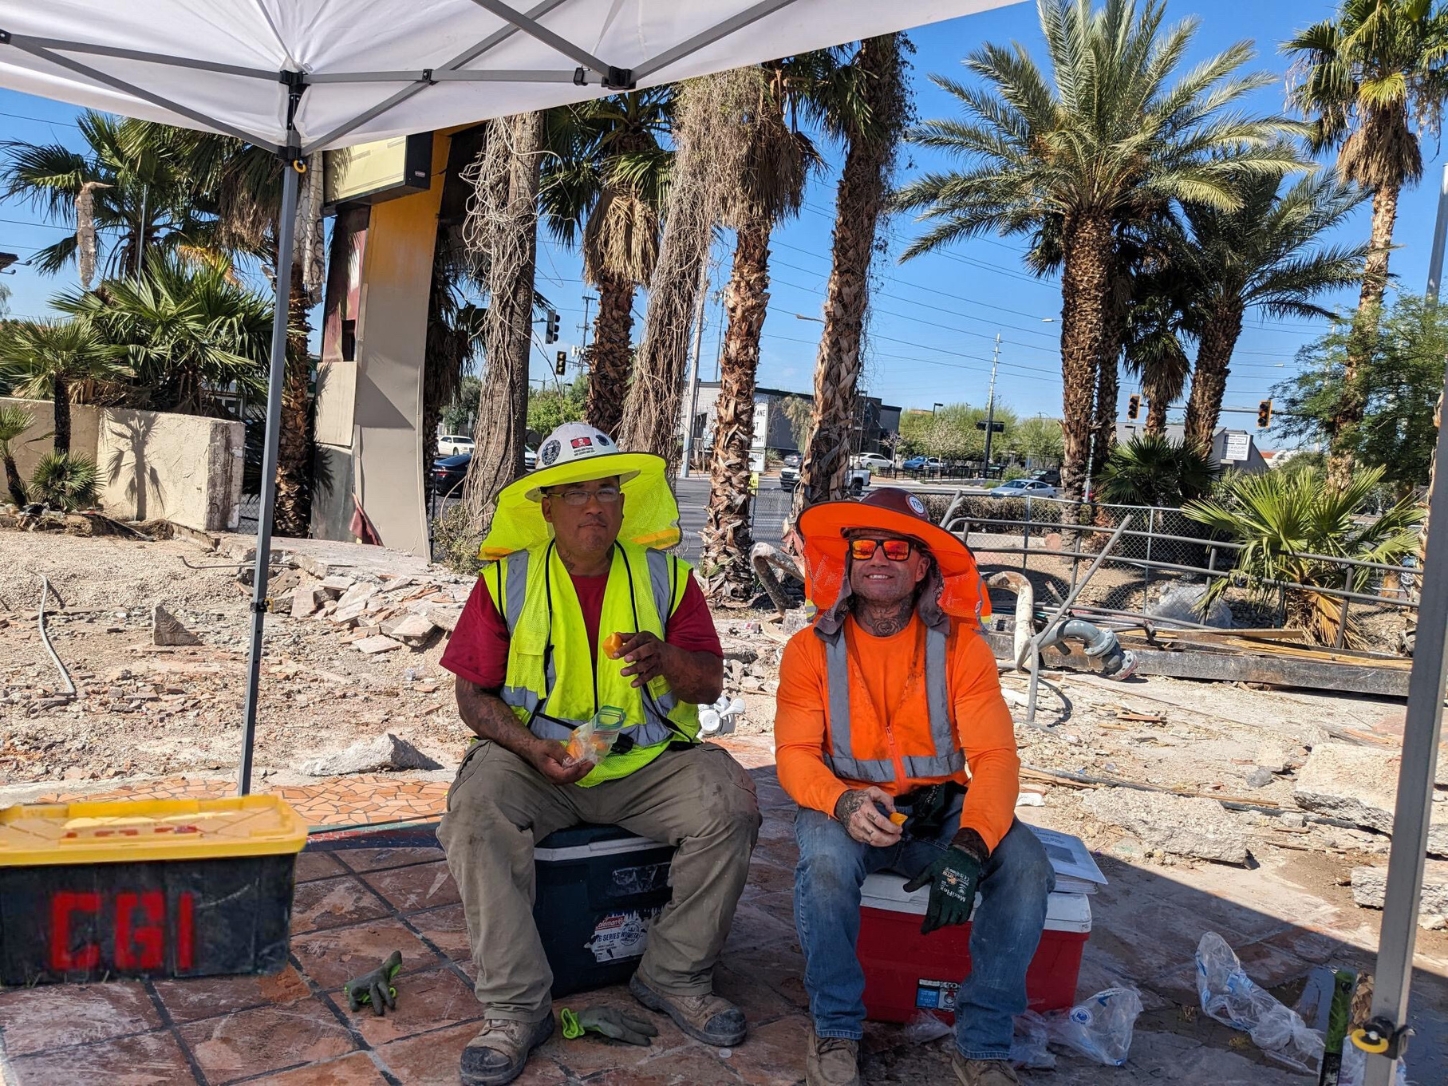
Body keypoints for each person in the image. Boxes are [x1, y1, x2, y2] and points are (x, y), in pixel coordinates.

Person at [437, 423, 762, 1086]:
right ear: (546, 506)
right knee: (474, 809)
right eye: (576, 492)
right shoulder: (507, 581)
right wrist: (534, 748)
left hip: (646, 765)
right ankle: (516, 1009)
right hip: (540, 764)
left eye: (607, 490)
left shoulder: (667, 577)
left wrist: (670, 660)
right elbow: (473, 700)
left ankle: (673, 975)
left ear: (623, 501)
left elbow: (709, 683)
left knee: (729, 800)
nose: (594, 505)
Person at [774, 488, 1055, 1086]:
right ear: (847, 563)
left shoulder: (963, 648)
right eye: (865, 547)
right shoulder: (807, 652)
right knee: (823, 865)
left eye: (897, 547)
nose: (879, 558)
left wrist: (973, 844)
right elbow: (795, 758)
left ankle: (981, 1046)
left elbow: (997, 757)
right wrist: (843, 802)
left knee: (1027, 865)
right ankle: (836, 1028)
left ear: (922, 564)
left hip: (941, 811)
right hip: (845, 810)